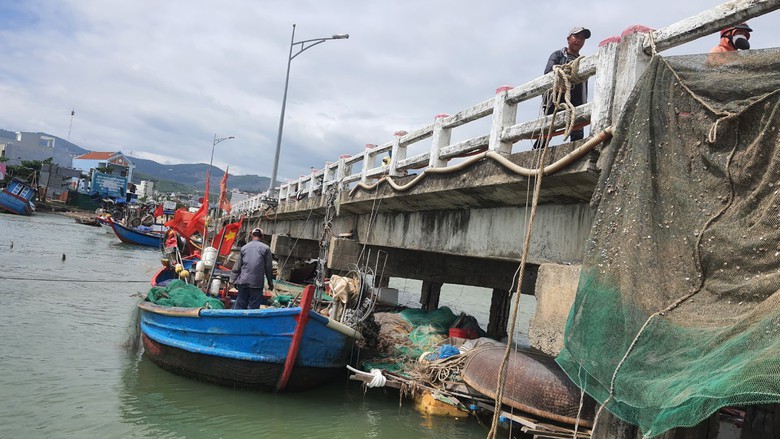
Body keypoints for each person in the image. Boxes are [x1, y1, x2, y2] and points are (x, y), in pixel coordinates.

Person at [534, 26, 591, 148]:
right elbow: (549, 72)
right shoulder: (558, 55)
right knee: (548, 129)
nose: (579, 40)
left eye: (582, 38)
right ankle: (537, 150)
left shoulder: (582, 61)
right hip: (556, 99)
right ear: (568, 39)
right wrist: (561, 83)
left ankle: (576, 153)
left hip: (575, 100)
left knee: (577, 129)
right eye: (576, 37)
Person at [229, 227, 275, 309]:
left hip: (243, 281)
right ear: (262, 236)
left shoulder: (244, 248)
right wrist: (270, 282)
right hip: (256, 283)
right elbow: (268, 268)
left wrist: (233, 280)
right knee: (253, 308)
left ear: (251, 235)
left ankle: (237, 321)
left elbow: (237, 266)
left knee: (240, 306)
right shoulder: (266, 248)